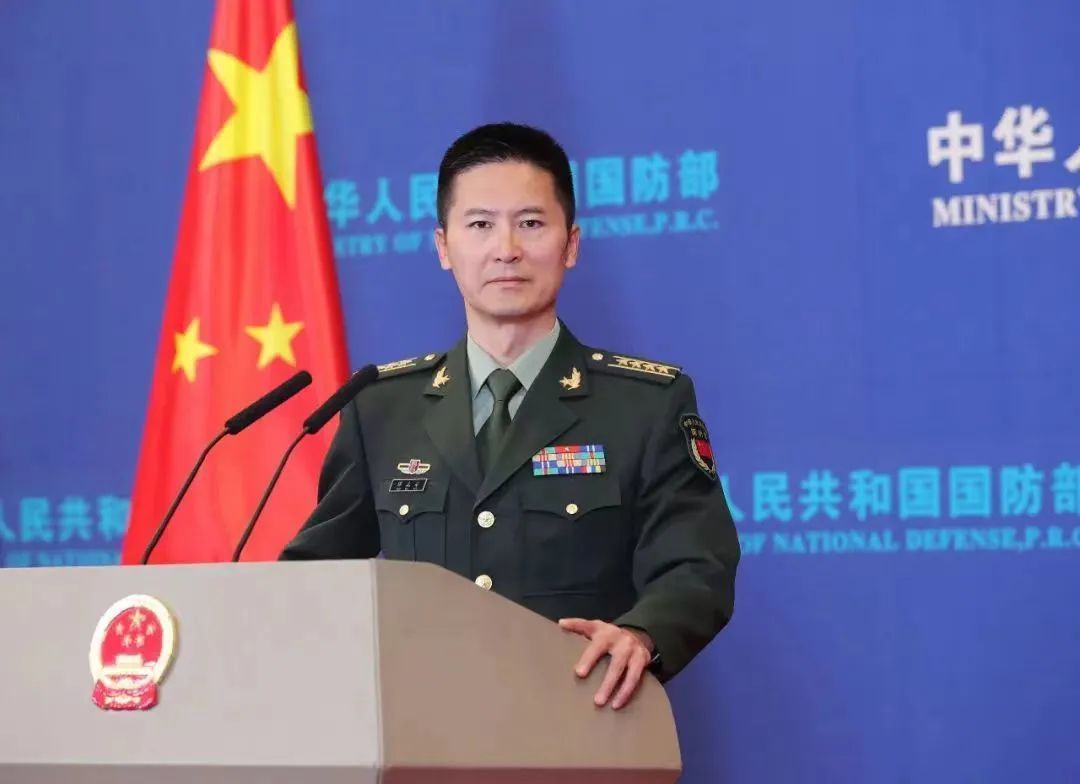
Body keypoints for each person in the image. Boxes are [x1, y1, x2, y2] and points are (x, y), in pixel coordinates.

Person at [280, 122, 740, 709]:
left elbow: (696, 564)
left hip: (582, 718)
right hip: (422, 727)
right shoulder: (381, 407)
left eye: (531, 223)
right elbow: (316, 575)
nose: (506, 249)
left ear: (571, 244)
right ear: (443, 247)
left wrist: (642, 635)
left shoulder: (645, 404)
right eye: (480, 225)